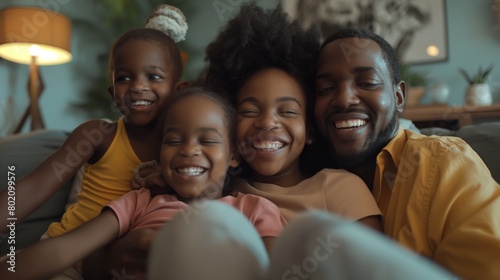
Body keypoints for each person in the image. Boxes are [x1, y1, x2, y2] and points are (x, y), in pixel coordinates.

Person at [0, 87, 287, 280]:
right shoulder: (139, 202)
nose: (188, 150)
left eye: (207, 140)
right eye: (173, 140)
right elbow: (65, 249)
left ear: (234, 155)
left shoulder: (254, 210)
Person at [313, 27, 500, 279]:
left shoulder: (444, 162)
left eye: (367, 82)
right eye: (325, 89)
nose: (344, 99)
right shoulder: (306, 179)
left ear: (399, 96)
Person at [201, 2, 381, 229]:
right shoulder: (214, 188)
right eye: (248, 111)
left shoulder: (339, 188)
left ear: (309, 129)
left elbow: (371, 262)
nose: (267, 122)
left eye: (287, 111)